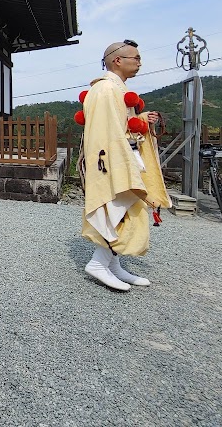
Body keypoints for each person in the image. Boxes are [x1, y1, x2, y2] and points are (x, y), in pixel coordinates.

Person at [80, 40, 172, 291]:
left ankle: (112, 264)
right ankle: (98, 264)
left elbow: (121, 125)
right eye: (136, 57)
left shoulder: (116, 89)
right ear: (117, 60)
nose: (139, 62)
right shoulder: (106, 90)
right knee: (121, 208)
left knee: (126, 209)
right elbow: (102, 132)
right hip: (112, 159)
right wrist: (109, 163)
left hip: (124, 154)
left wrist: (142, 119)